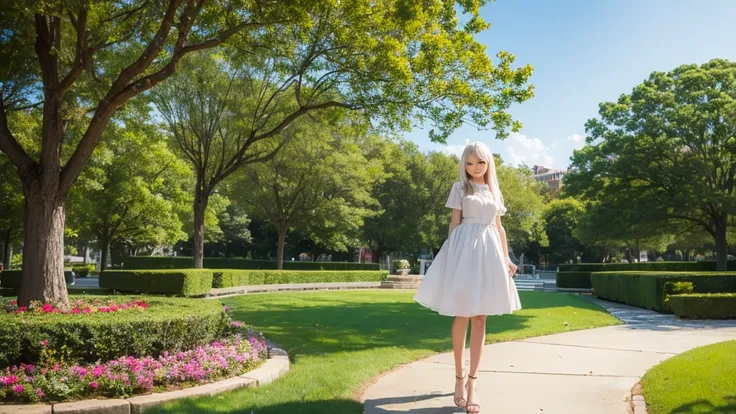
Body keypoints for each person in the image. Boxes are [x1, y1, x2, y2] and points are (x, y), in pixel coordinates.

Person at [414, 141, 521, 413]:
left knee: (481, 316)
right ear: (464, 164)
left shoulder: (495, 190)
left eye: (480, 162)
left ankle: (474, 383)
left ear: (488, 163)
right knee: (461, 313)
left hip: (489, 252)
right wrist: (450, 254)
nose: (474, 168)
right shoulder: (459, 187)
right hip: (463, 248)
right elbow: (454, 222)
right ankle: (459, 378)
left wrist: (507, 258)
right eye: (469, 163)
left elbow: (499, 227)